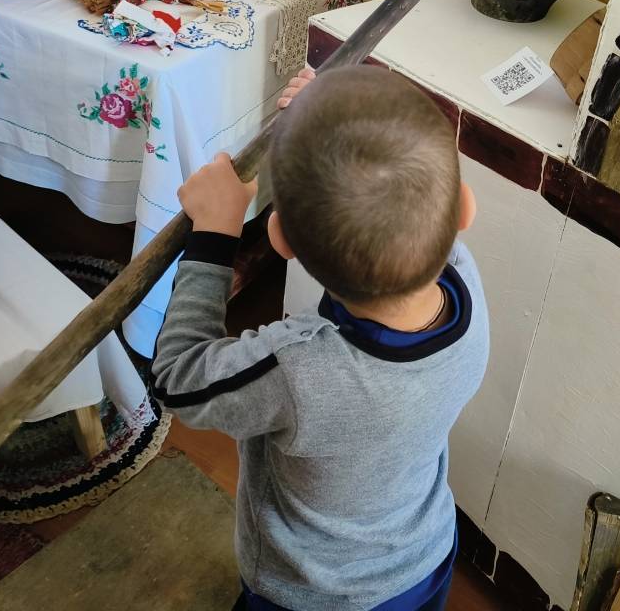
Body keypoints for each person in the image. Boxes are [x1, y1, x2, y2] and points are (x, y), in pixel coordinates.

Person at [153, 65, 490, 611]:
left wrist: (215, 236)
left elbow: (178, 380)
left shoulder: (298, 370)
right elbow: (397, 194)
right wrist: (330, 121)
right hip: (424, 559)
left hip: (311, 595)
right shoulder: (464, 282)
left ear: (280, 238)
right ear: (464, 209)